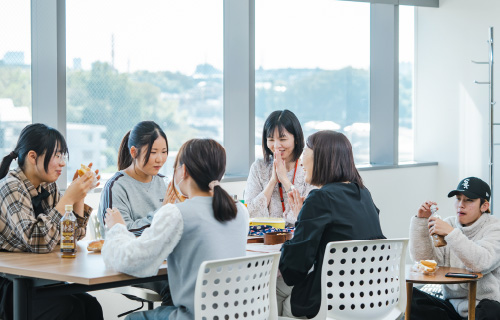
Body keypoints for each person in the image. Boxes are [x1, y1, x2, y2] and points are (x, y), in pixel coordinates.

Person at [101, 139, 249, 320]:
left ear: (184, 170)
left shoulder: (177, 213)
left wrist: (117, 228)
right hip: (238, 315)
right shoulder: (240, 211)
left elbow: (132, 260)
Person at [0, 123, 103, 320]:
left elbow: (72, 238)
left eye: (63, 156)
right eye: (57, 156)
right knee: (68, 309)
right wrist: (67, 199)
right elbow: (36, 240)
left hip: (41, 279)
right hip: (10, 285)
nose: (62, 163)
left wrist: (79, 195)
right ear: (32, 156)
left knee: (90, 306)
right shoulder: (11, 186)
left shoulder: (49, 187)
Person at [278, 130, 385, 318]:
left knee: (271, 288)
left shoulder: (320, 198)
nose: (301, 162)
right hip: (369, 296)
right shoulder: (363, 194)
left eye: (305, 154)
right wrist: (304, 216)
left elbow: (293, 269)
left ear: (321, 158)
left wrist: (301, 221)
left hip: (330, 301)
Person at [409, 177, 500, 320]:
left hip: (481, 308)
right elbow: (426, 261)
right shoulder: (449, 223)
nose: (460, 205)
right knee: (411, 297)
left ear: (484, 206)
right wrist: (421, 221)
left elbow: (480, 263)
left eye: (469, 200)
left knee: (493, 310)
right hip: (452, 307)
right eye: (458, 199)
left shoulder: (495, 228)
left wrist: (451, 233)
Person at [99, 120, 178, 237]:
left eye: (164, 152)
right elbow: (120, 234)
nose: (160, 159)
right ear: (134, 152)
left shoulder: (166, 183)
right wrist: (162, 214)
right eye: (153, 152)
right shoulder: (116, 187)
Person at [245, 109, 315, 226]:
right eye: (271, 140)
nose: (276, 146)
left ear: (296, 139)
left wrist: (284, 179)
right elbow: (250, 214)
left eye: (282, 139)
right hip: (265, 239)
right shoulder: (258, 167)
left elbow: (308, 216)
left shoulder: (308, 167)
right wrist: (272, 181)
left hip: (298, 237)